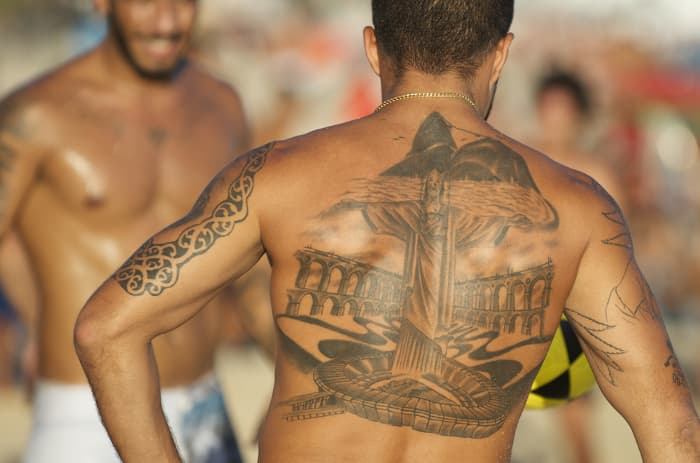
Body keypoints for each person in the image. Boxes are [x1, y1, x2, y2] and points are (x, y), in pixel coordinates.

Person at [75, 1, 700, 462]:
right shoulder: (579, 208)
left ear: (374, 48)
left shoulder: (278, 176)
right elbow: (673, 430)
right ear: (501, 52)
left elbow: (106, 328)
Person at [0, 0, 268, 461]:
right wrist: (31, 322)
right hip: (84, 412)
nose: (166, 22)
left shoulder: (223, 106)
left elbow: (244, 266)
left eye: (182, 3)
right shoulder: (36, 114)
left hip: (204, 406)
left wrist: (296, 372)